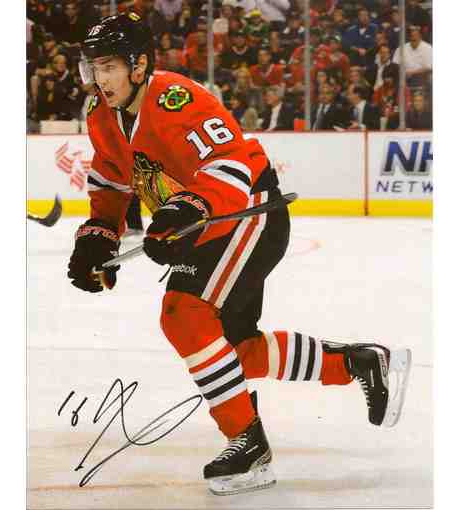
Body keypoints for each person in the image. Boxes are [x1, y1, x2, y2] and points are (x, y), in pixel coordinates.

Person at [69, 12, 411, 496]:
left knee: (184, 315)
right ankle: (359, 363)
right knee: (232, 351)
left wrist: (184, 211)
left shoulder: (176, 99)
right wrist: (99, 234)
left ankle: (248, 444)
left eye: (109, 66)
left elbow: (229, 164)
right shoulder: (101, 115)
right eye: (93, 67)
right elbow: (110, 179)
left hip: (246, 212)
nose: (99, 79)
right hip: (210, 223)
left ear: (139, 65)